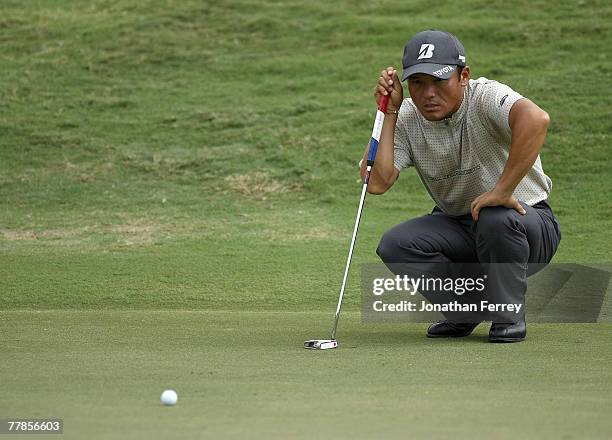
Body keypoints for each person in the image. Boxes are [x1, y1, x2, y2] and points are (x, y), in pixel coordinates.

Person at [361, 29, 561, 342]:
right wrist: (389, 112)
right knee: (396, 245)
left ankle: (507, 315)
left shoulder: (485, 96)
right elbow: (376, 182)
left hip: (526, 222)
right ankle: (465, 310)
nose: (428, 93)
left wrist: (502, 191)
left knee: (497, 215)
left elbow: (536, 120)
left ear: (463, 76)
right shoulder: (407, 116)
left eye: (439, 81)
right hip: (461, 225)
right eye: (417, 83)